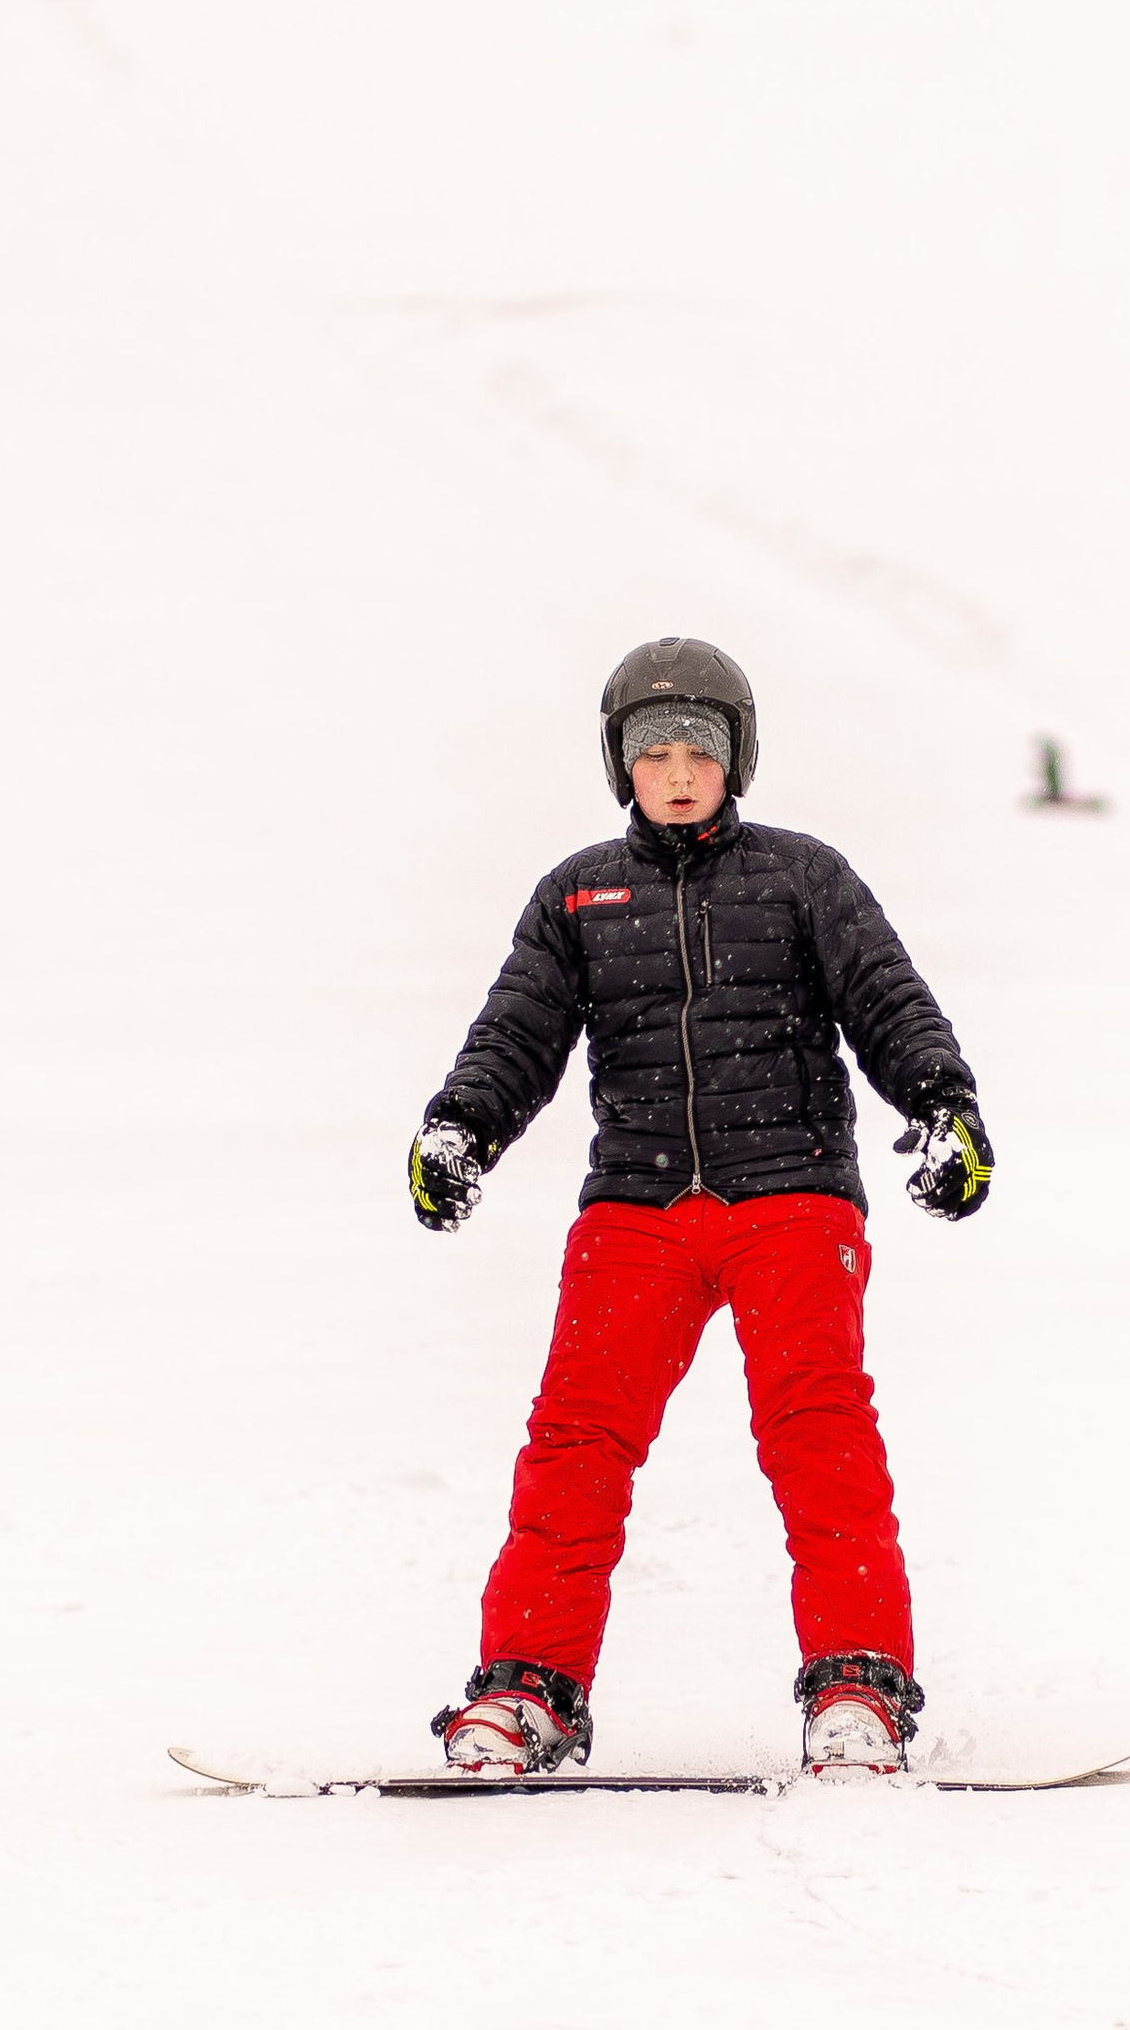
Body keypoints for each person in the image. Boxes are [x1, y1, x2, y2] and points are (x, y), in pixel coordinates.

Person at [407, 636, 993, 1780]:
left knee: (819, 1442)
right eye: (652, 751)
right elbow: (517, 1032)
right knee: (575, 1446)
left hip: (791, 1202)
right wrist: (460, 1124)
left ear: (739, 761)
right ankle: (529, 1687)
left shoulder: (802, 878)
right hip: (635, 1210)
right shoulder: (576, 893)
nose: (676, 771)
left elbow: (888, 1000)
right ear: (619, 765)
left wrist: (941, 1105)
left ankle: (857, 1685)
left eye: (700, 751)